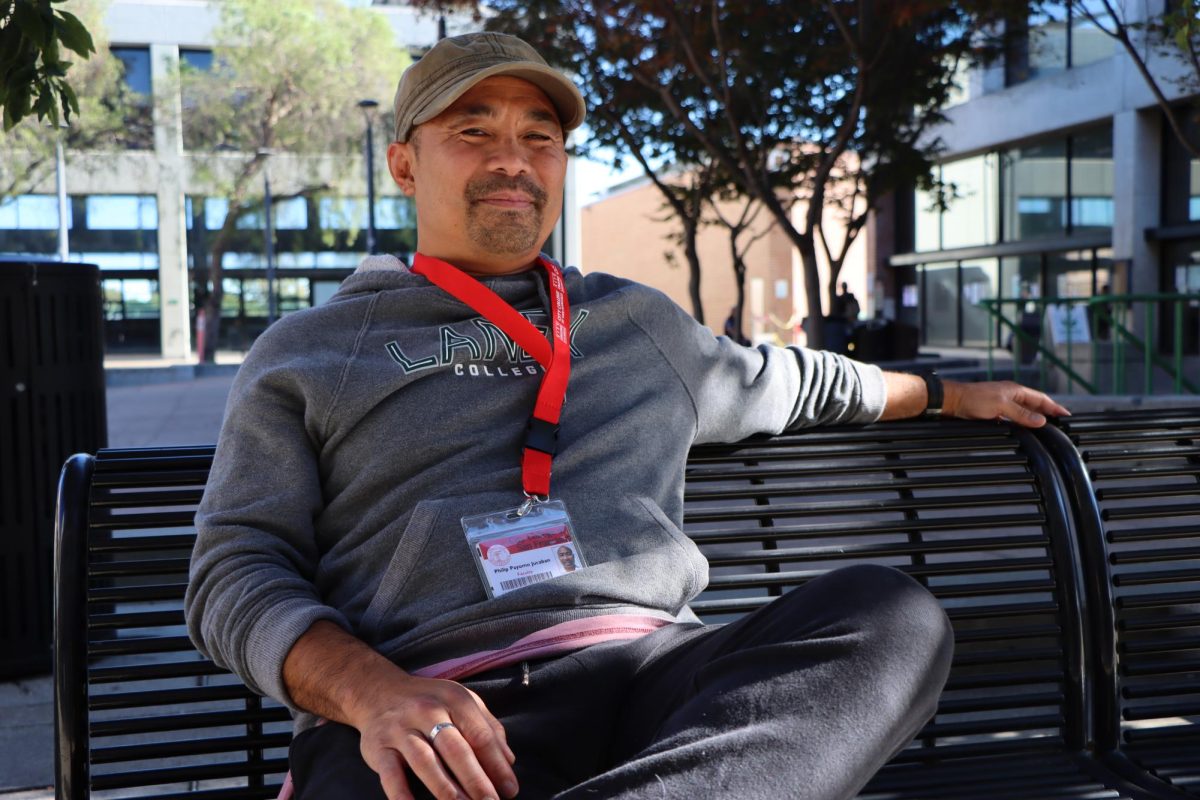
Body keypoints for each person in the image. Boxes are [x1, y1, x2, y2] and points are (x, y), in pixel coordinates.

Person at [185, 32, 1071, 800]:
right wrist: (373, 692)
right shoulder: (312, 350)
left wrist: (952, 395)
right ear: (405, 162)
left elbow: (799, 381)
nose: (513, 160)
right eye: (474, 132)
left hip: (655, 681)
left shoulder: (636, 325)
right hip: (437, 709)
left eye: (541, 137)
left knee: (893, 617)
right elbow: (233, 569)